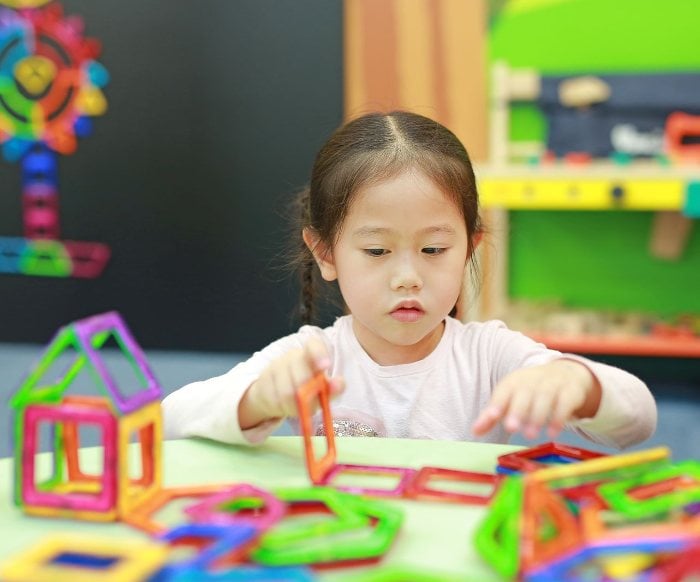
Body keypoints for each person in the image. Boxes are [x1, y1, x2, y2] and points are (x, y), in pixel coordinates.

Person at [163, 111, 656, 449]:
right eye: (377, 251)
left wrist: (578, 382)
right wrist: (260, 400)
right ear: (326, 252)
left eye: (434, 250)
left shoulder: (489, 355)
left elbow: (638, 421)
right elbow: (170, 420)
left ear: (470, 248)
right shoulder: (314, 358)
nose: (407, 278)